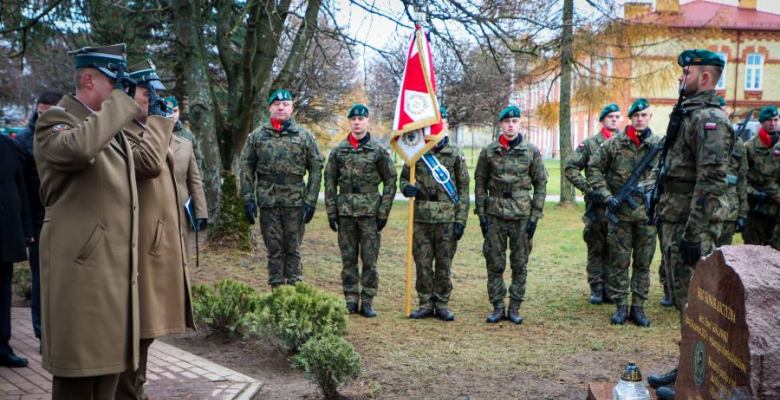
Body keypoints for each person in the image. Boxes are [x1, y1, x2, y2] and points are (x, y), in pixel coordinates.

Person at [34, 43, 143, 399]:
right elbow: (78, 149)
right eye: (115, 82)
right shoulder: (56, 120)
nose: (121, 91)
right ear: (88, 79)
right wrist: (120, 104)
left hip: (111, 271)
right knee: (79, 378)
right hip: (80, 273)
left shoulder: (105, 125)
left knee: (108, 374)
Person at [647, 49, 734, 400]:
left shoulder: (710, 120)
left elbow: (711, 180)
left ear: (705, 77)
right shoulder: (688, 114)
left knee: (698, 305)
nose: (682, 79)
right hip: (674, 218)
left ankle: (700, 378)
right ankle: (687, 366)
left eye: (688, 73)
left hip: (691, 225)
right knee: (683, 303)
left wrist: (693, 233)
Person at [115, 61, 194, 400]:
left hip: (157, 244)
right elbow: (147, 164)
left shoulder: (146, 128)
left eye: (156, 94)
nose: (154, 101)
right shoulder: (121, 131)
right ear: (127, 94)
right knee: (136, 329)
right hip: (139, 246)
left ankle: (136, 388)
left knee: (146, 329)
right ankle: (130, 392)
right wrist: (160, 122)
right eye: (147, 94)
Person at [587, 98, 660, 327]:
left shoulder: (659, 146)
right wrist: (607, 196)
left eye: (644, 115)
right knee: (619, 263)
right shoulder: (614, 144)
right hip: (620, 217)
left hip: (647, 216)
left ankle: (638, 308)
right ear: (630, 118)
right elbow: (593, 169)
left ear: (649, 117)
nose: (640, 119)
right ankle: (620, 306)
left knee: (643, 264)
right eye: (636, 116)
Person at [240, 89, 323, 287]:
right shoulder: (257, 136)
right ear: (270, 108)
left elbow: (316, 169)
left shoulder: (304, 136)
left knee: (293, 249)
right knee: (274, 249)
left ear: (292, 108)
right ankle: (277, 291)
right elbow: (246, 166)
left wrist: (311, 201)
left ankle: (294, 290)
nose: (281, 108)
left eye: (285, 104)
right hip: (268, 200)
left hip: (295, 202)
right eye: (276, 104)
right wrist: (248, 198)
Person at [474, 105, 547, 325]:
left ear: (519, 123)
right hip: (495, 214)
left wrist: (535, 215)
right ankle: (497, 306)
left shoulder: (531, 151)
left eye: (514, 121)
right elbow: (480, 183)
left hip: (521, 215)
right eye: (507, 122)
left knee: (519, 263)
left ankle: (514, 307)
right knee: (494, 263)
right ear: (501, 124)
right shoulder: (489, 151)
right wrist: (482, 214)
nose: (511, 125)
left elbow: (541, 183)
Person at [324, 104, 396, 317]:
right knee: (348, 259)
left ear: (367, 121)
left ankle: (367, 300)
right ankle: (350, 298)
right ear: (349, 122)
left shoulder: (378, 151)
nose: (357, 122)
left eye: (361, 119)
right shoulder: (339, 151)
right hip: (345, 213)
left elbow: (390, 181)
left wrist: (383, 212)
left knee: (370, 260)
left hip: (369, 215)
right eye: (353, 119)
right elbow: (330, 180)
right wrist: (331, 210)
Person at [400, 106, 469, 321]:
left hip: (447, 218)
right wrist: (406, 188)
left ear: (446, 125)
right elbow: (403, 178)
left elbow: (464, 189)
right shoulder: (417, 150)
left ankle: (441, 303)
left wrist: (461, 220)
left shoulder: (455, 153)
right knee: (422, 262)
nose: (436, 126)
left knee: (443, 263)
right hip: (421, 217)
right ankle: (425, 303)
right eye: (431, 123)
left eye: (441, 122)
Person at [13, 91, 63, 345]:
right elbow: (21, 187)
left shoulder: (69, 135)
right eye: (40, 113)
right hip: (38, 220)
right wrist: (27, 228)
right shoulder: (23, 141)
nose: (43, 118)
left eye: (48, 114)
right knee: (42, 280)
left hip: (64, 217)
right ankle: (43, 333)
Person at [565, 103, 621, 305]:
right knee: (596, 247)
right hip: (597, 207)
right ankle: (596, 288)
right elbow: (570, 168)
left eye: (617, 116)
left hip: (619, 205)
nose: (614, 119)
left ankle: (611, 288)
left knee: (616, 248)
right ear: (603, 120)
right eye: (610, 116)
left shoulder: (626, 143)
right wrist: (588, 189)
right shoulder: (589, 144)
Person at [0, 133, 32, 368]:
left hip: (4, 236)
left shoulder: (8, 146)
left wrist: (26, 228)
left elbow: (22, 189)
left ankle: (3, 347)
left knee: (3, 296)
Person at [165, 96, 208, 257]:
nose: (172, 114)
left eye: (175, 110)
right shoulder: (152, 133)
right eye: (168, 111)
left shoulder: (187, 136)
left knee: (182, 250)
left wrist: (200, 210)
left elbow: (196, 173)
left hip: (182, 199)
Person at [742, 105, 779, 248]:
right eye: (769, 120)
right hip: (756, 210)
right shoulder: (749, 147)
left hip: (776, 210)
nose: (773, 123)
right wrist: (753, 193)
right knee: (752, 252)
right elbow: (741, 178)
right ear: (762, 122)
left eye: (775, 120)